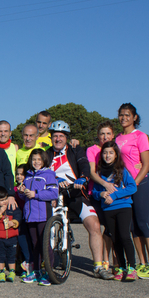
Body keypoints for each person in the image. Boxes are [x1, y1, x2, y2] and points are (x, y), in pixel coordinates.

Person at [48, 120, 105, 275]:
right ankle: (46, 261)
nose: (58, 139)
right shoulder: (46, 154)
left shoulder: (75, 150)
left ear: (67, 137)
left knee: (94, 225)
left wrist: (83, 177)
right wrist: (54, 179)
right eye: (55, 136)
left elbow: (84, 165)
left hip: (76, 193)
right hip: (55, 195)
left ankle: (98, 266)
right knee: (46, 226)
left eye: (61, 136)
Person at [115, 102, 149, 278]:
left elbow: (146, 164)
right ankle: (142, 263)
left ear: (135, 117)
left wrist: (135, 184)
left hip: (140, 185)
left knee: (143, 223)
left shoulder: (140, 136)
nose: (124, 118)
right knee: (132, 227)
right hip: (124, 187)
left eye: (127, 115)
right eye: (121, 115)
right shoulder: (117, 138)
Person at [92, 142, 138, 281]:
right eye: (105, 153)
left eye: (111, 152)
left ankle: (132, 267)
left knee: (124, 236)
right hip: (107, 209)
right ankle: (121, 267)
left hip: (123, 207)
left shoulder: (122, 170)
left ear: (116, 154)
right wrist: (100, 195)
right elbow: (94, 191)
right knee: (115, 238)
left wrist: (114, 195)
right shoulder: (99, 172)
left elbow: (132, 187)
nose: (107, 155)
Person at [17, 149, 58, 286]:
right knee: (34, 245)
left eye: (39, 160)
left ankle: (49, 272)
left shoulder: (49, 174)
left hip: (43, 215)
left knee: (44, 244)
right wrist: (22, 192)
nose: (36, 162)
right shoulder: (28, 176)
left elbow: (53, 193)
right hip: (30, 215)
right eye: (34, 159)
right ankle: (36, 271)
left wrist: (36, 194)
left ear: (44, 160)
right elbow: (25, 196)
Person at [86, 121, 117, 274]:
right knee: (100, 227)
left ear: (113, 135)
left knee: (112, 229)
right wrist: (105, 184)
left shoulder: (114, 149)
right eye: (102, 134)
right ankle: (104, 259)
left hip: (114, 193)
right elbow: (91, 172)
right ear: (98, 136)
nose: (105, 136)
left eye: (108, 133)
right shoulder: (92, 150)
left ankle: (116, 261)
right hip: (96, 193)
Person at [0, 186, 22, 283]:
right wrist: (0, 212)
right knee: (0, 255)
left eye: (5, 199)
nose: (5, 201)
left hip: (12, 236)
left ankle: (12, 271)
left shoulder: (11, 205)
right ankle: (1, 271)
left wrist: (14, 222)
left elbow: (18, 214)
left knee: (11, 255)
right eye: (2, 200)